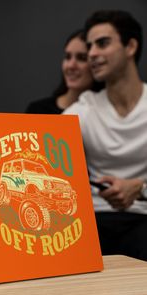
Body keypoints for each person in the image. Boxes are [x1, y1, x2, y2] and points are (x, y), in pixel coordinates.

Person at [63, 10, 147, 261]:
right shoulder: (83, 110)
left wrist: (140, 187)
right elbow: (42, 146)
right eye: (90, 46)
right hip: (93, 219)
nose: (92, 54)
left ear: (130, 46)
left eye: (102, 43)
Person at [26, 30, 103, 114]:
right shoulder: (37, 110)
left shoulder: (103, 115)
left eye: (82, 58)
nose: (71, 65)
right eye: (67, 57)